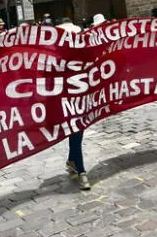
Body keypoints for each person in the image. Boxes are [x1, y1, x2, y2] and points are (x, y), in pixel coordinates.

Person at [56, 18, 91, 190]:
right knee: (76, 132)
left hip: (81, 99)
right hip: (67, 101)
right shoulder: (55, 58)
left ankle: (72, 161)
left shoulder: (82, 54)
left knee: (77, 132)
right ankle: (82, 172)